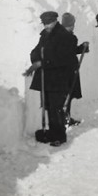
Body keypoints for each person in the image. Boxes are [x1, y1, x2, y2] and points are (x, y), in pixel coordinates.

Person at [23, 11, 73, 147]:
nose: (46, 26)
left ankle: (60, 136)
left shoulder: (63, 35)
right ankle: (52, 132)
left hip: (59, 78)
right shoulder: (45, 34)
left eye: (48, 23)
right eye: (44, 24)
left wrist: (42, 63)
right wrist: (36, 59)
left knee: (56, 108)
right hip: (47, 77)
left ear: (55, 20)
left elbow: (63, 58)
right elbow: (36, 51)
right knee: (49, 106)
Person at [61, 13, 89, 126]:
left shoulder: (67, 36)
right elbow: (65, 53)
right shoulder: (65, 37)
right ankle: (63, 119)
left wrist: (82, 48)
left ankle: (65, 117)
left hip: (69, 70)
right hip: (66, 71)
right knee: (65, 95)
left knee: (69, 94)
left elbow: (70, 51)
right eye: (72, 24)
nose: (73, 26)